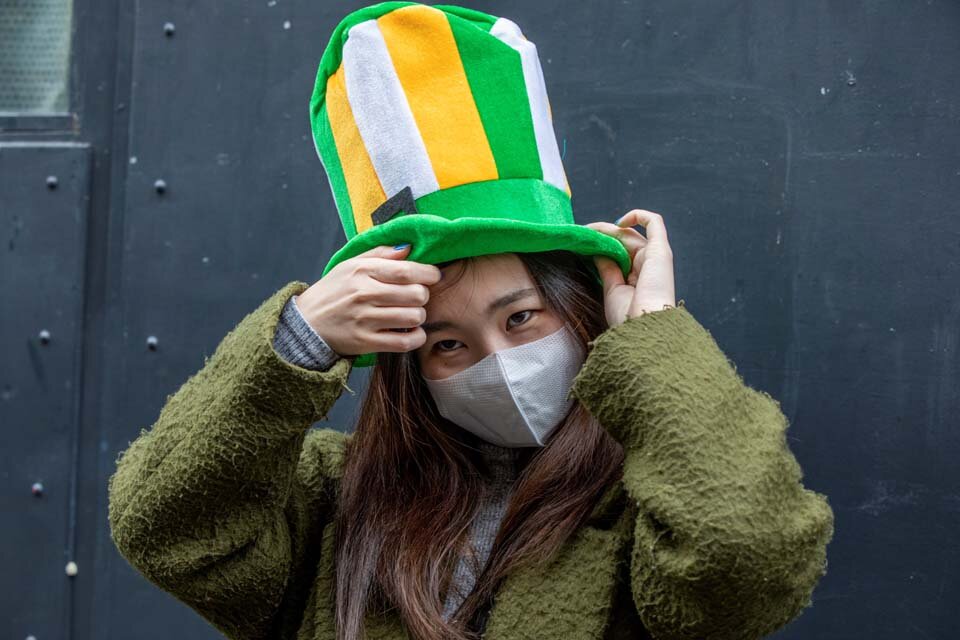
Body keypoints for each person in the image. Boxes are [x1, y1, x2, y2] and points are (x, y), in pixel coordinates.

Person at [107, 4, 835, 640]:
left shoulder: (649, 504)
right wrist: (300, 338)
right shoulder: (335, 501)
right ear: (408, 366)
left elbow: (747, 557)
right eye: (447, 343)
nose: (499, 364)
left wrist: (655, 340)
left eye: (521, 317)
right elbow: (164, 529)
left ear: (581, 312)